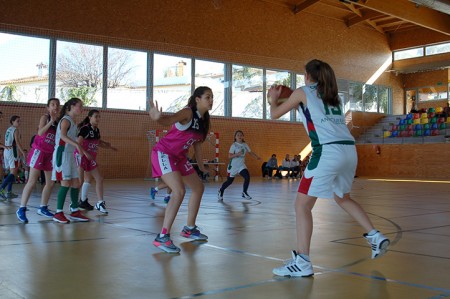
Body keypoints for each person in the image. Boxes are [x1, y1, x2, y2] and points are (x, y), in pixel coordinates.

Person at [268, 59, 390, 277]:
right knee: (342, 197)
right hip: (349, 151)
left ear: (307, 75)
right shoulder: (334, 98)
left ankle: (303, 261)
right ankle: (374, 235)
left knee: (301, 206)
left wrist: (272, 99)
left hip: (327, 152)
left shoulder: (302, 91)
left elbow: (274, 114)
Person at [149, 86, 213, 253]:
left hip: (180, 157)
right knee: (178, 191)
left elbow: (197, 147)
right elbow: (168, 120)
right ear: (197, 99)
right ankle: (162, 236)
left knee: (199, 188)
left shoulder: (203, 121)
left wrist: (201, 167)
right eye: (208, 97)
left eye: (212, 97)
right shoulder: (188, 112)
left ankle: (189, 228)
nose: (211, 100)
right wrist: (157, 118)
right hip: (163, 153)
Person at [16, 98, 61, 223]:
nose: (55, 107)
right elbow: (40, 133)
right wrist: (50, 121)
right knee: (32, 181)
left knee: (51, 183)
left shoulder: (59, 122)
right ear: (48, 107)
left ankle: (43, 207)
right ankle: (21, 208)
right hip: (39, 151)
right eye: (52, 104)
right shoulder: (45, 117)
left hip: (50, 154)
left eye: (57, 105)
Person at [52, 98, 91, 224]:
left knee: (76, 183)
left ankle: (74, 211)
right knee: (65, 183)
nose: (82, 109)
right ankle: (58, 213)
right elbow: (63, 136)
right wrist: (77, 145)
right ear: (72, 106)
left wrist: (82, 150)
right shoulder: (65, 120)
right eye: (80, 106)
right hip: (62, 154)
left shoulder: (73, 121)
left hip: (70, 154)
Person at [76, 109, 117, 214]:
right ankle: (74, 203)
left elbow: (98, 143)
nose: (98, 118)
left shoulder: (97, 130)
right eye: (96, 116)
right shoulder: (85, 129)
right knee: (81, 181)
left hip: (90, 158)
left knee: (98, 178)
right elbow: (78, 143)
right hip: (81, 155)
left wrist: (109, 147)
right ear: (90, 117)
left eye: (99, 116)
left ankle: (98, 202)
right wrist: (86, 153)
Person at [217, 130, 261, 201]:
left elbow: (250, 152)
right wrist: (237, 154)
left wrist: (256, 157)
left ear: (243, 136)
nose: (239, 136)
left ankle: (244, 192)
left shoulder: (245, 144)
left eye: (241, 135)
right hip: (233, 166)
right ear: (235, 137)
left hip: (241, 165)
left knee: (247, 177)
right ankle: (221, 190)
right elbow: (229, 156)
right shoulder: (233, 145)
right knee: (229, 182)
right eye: (238, 135)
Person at [0, 115, 26, 200]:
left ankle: (9, 192)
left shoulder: (8, 129)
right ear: (12, 122)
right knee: (13, 172)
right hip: (12, 151)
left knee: (11, 172)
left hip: (6, 150)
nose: (19, 122)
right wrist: (23, 152)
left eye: (20, 121)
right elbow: (17, 142)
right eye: (18, 121)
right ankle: (1, 188)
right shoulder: (15, 130)